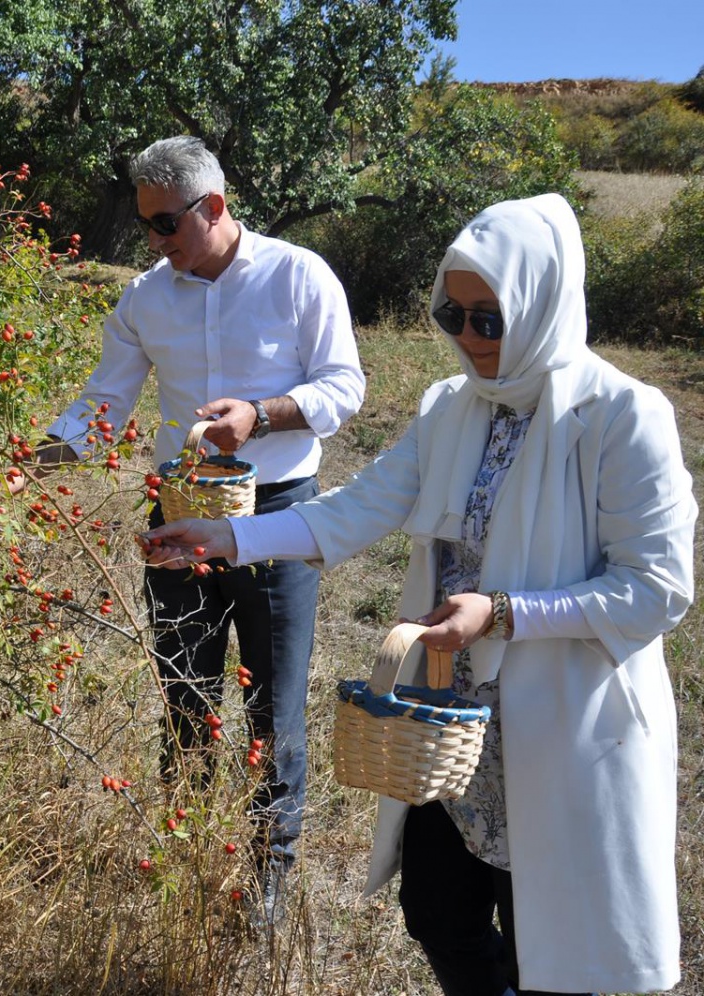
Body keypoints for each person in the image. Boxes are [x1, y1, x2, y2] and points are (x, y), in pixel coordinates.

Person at [140, 193, 695, 995]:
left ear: (541, 302)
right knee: (438, 914)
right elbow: (361, 505)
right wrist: (231, 538)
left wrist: (502, 613)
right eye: (452, 314)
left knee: (561, 948)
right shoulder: (451, 407)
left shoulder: (623, 417)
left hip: (563, 727)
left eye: (489, 319)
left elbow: (656, 591)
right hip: (454, 717)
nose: (468, 338)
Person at [24, 135, 365, 917]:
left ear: (212, 208)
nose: (154, 241)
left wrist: (262, 414)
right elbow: (106, 401)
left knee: (273, 706)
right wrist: (31, 457)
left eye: (167, 225)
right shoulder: (147, 295)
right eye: (146, 225)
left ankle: (267, 879)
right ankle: (184, 853)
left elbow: (344, 387)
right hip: (178, 516)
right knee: (184, 693)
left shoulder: (297, 274)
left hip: (280, 515)